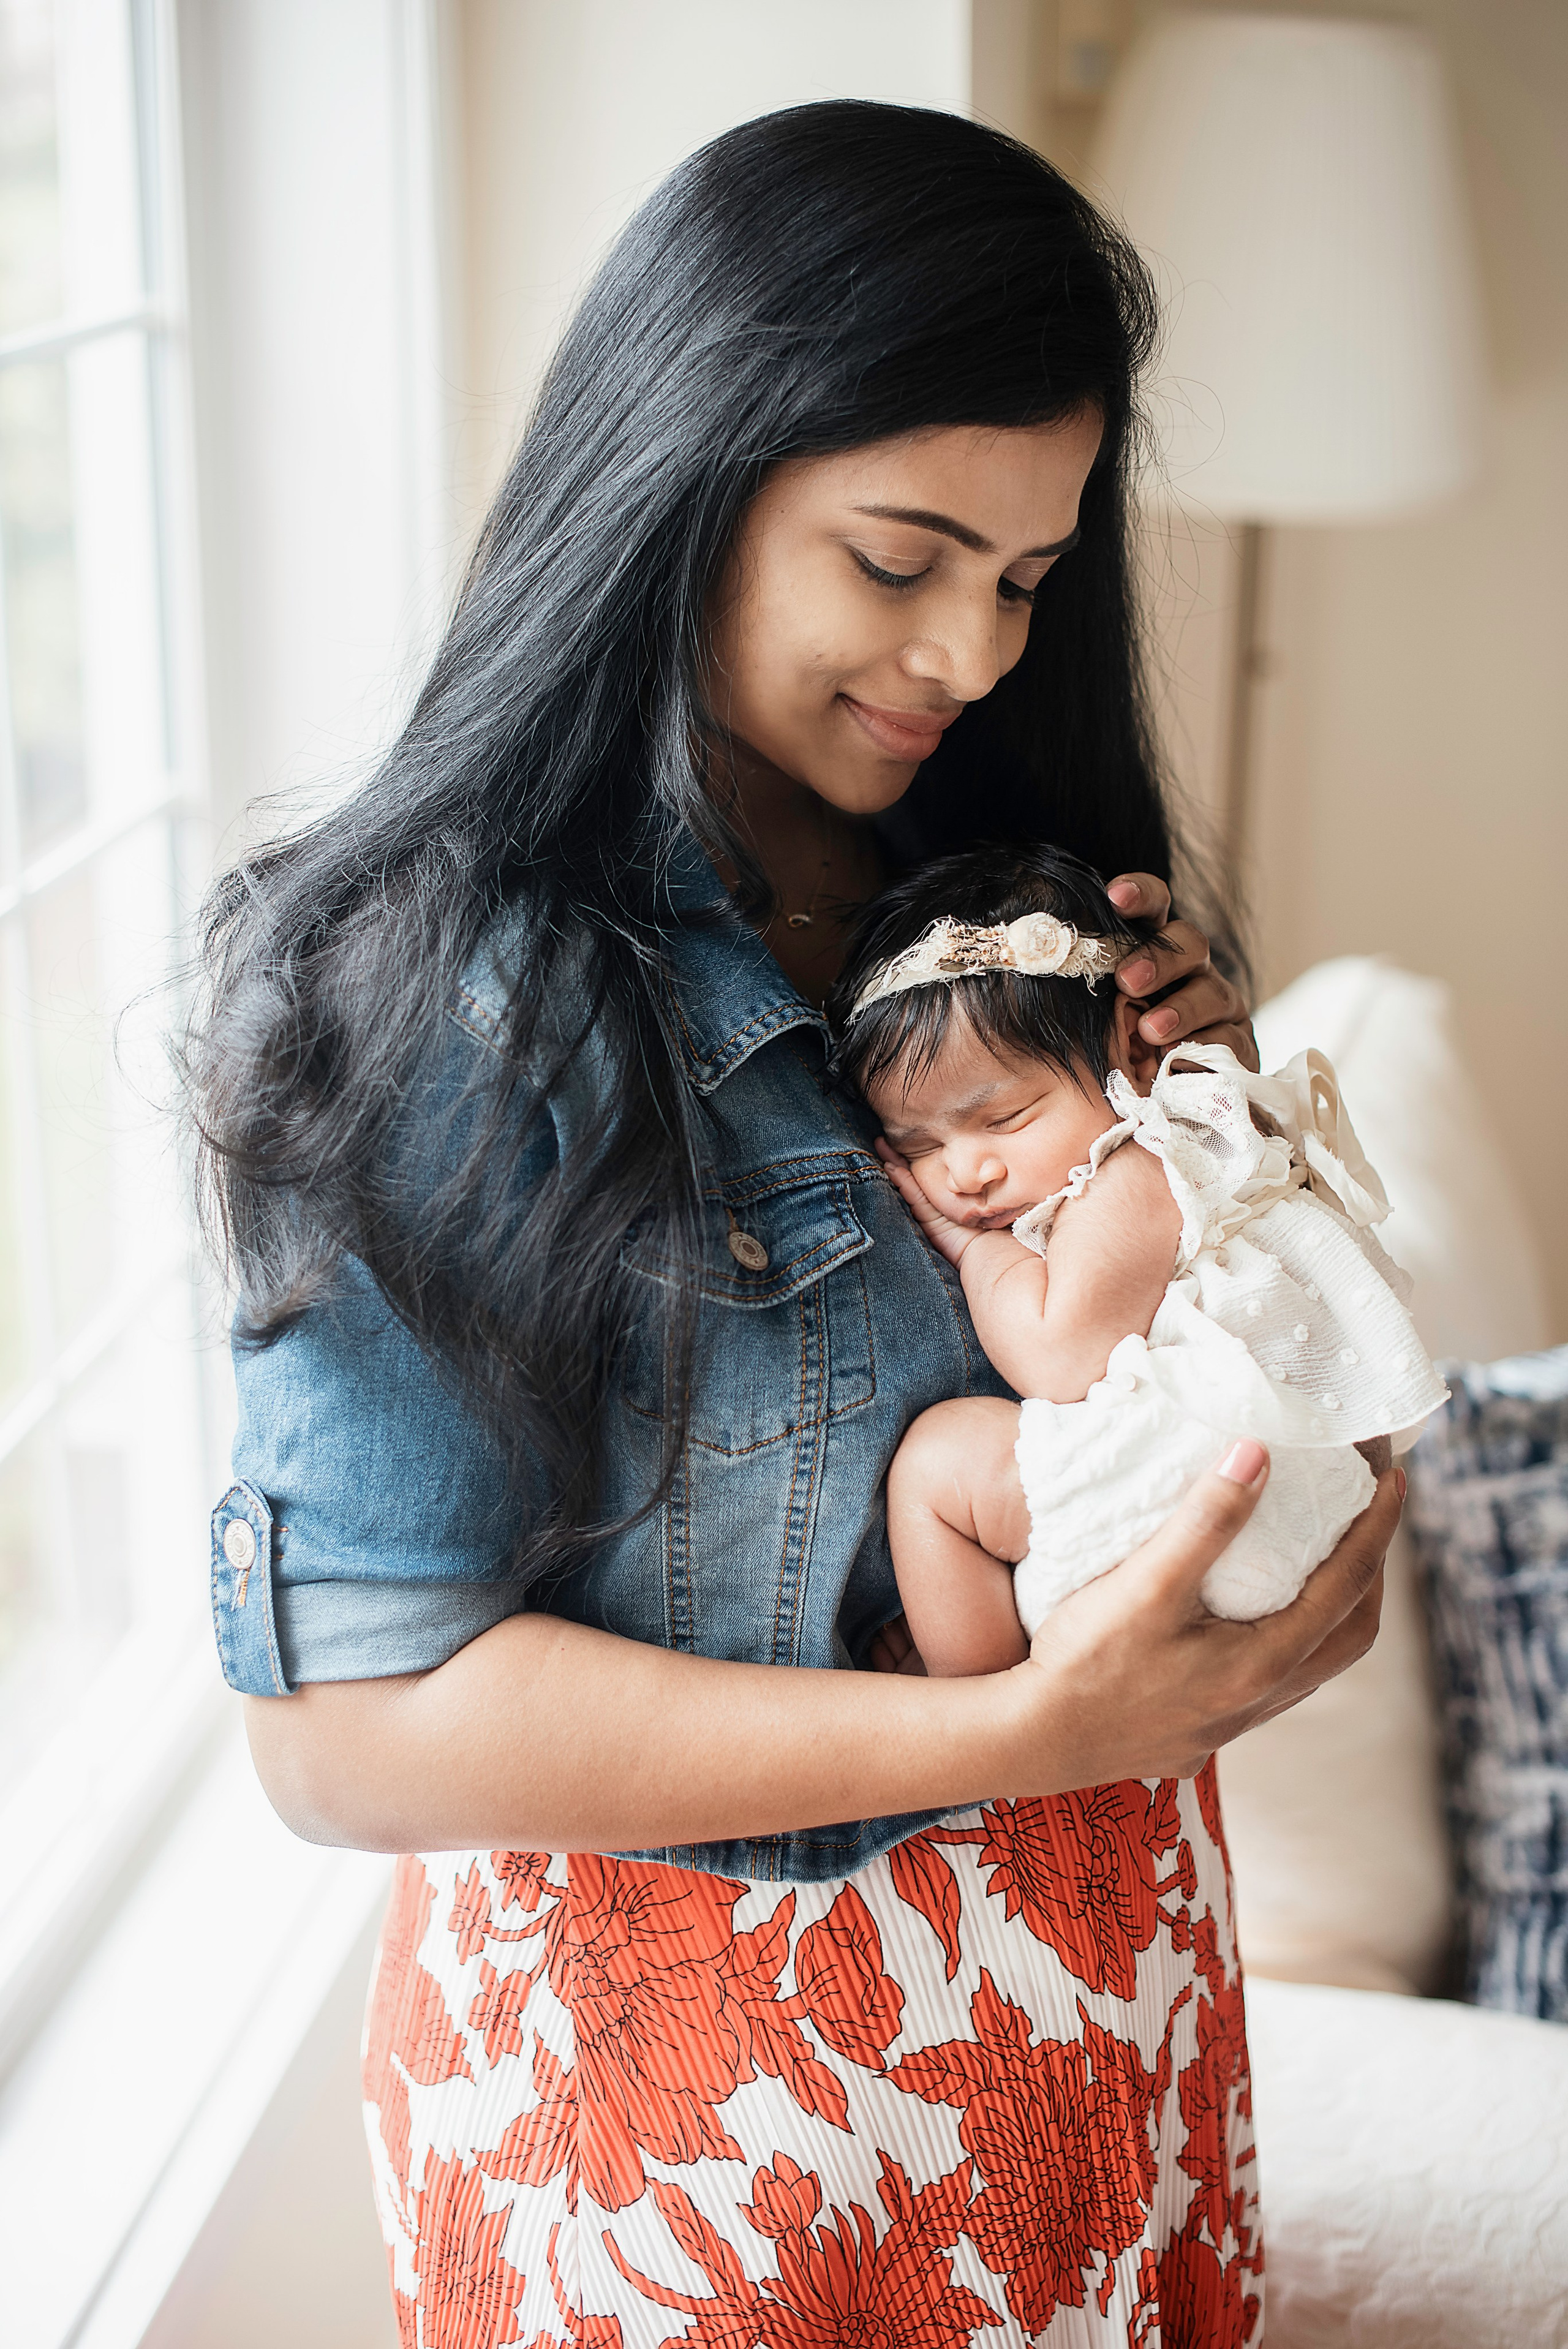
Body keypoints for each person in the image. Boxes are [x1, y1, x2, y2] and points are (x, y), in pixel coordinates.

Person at [192, 102, 1398, 2345]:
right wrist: (1010, 1740)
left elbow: (1155, 1419)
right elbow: (347, 1725)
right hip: (717, 2142)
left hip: (1101, 2022)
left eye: (1028, 580)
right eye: (901, 554)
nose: (967, 650)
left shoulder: (1002, 891)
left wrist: (1219, 1169)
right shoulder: (445, 981)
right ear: (686, 476)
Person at [831, 843, 1444, 1683]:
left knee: (939, 1464)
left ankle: (979, 1700)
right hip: (1242, 1498)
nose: (965, 1172)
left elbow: (1057, 1354)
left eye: (1004, 1118)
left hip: (1229, 1487)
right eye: (918, 1144)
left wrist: (974, 1248)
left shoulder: (1141, 1167)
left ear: (1135, 1050)